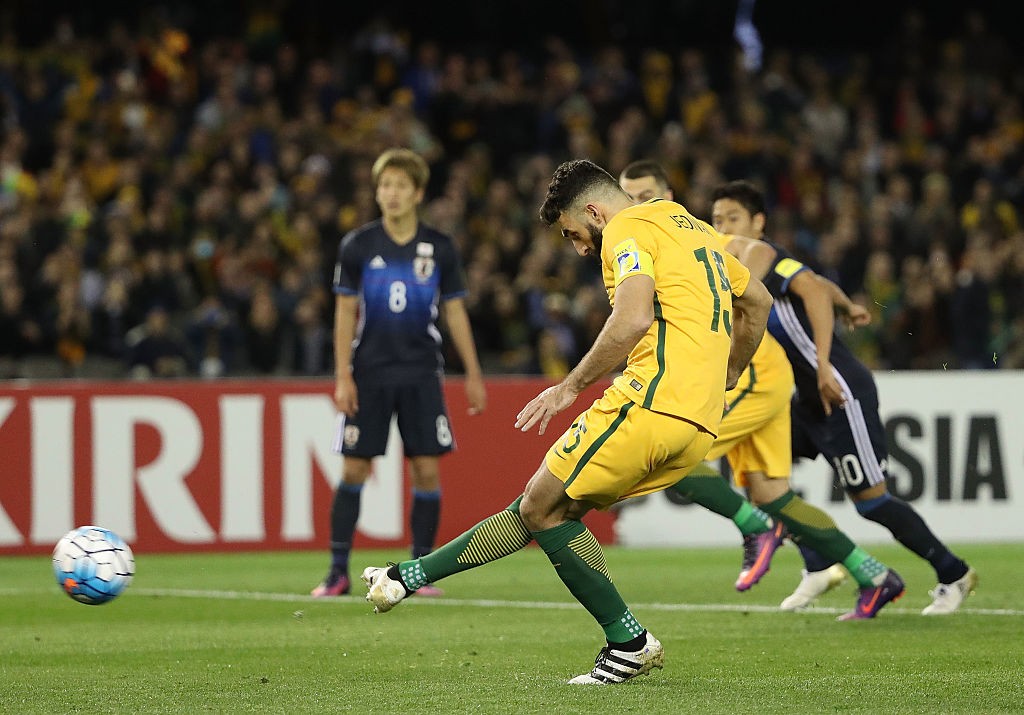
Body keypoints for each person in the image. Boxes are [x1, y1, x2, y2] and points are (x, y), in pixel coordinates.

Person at [361, 158, 774, 685]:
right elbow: (757, 302)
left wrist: (569, 387)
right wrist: (729, 373)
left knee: (541, 505)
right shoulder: (688, 224)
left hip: (649, 401)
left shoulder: (626, 229)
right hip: (699, 425)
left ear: (595, 211)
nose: (579, 248)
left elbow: (632, 318)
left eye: (574, 233)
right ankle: (406, 578)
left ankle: (628, 643)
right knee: (548, 508)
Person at [619, 160, 906, 615]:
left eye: (646, 195)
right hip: (750, 371)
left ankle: (755, 526)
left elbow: (778, 261)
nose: (636, 205)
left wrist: (836, 300)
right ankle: (873, 574)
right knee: (772, 492)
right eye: (628, 196)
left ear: (669, 196)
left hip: (748, 372)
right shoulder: (633, 246)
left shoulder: (692, 234)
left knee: (668, 455)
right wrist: (846, 303)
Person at [710, 179, 978, 615]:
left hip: (837, 389)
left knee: (872, 502)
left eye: (733, 218)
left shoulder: (767, 260)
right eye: (717, 219)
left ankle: (953, 572)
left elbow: (812, 290)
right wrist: (849, 305)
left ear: (758, 222)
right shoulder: (749, 265)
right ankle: (818, 563)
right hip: (805, 400)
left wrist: (822, 367)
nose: (722, 226)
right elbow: (820, 284)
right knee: (762, 483)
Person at [311, 148, 487, 598]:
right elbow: (344, 313)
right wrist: (342, 376)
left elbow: (455, 312)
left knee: (426, 470)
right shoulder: (358, 245)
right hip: (369, 373)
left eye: (400, 186)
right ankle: (337, 572)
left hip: (422, 373)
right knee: (353, 468)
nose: (390, 194)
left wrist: (472, 372)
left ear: (418, 193)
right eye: (384, 185)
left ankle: (419, 571)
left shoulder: (440, 247)